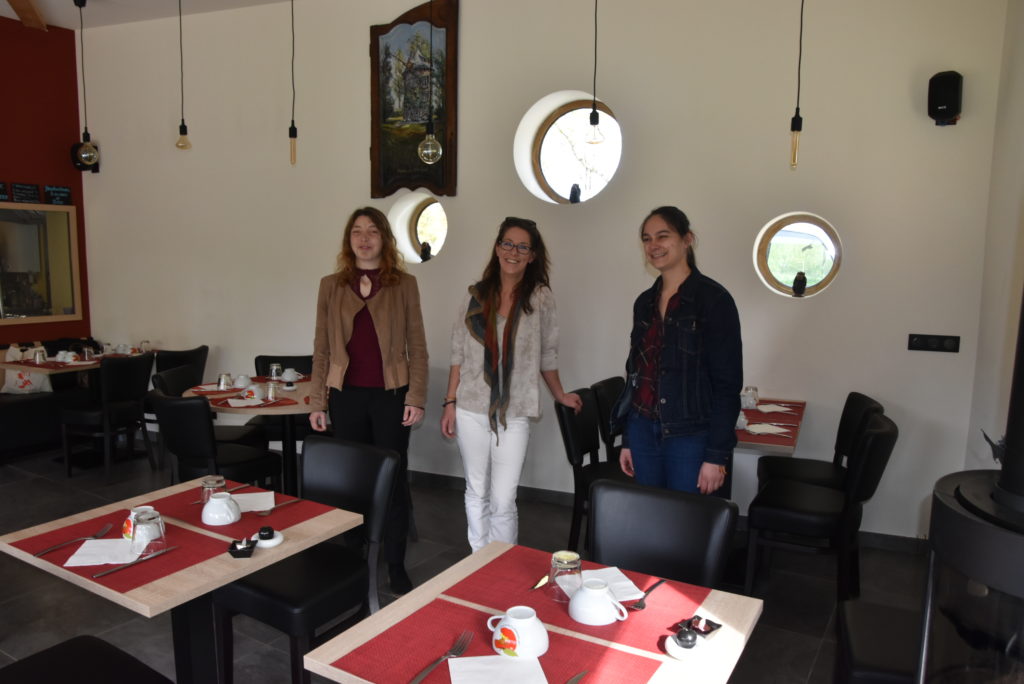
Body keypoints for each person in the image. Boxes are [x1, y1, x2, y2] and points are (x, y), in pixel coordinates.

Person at [441, 217, 582, 552]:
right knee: (476, 490)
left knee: (504, 499)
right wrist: (450, 402)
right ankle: (478, 561)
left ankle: (501, 562)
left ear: (532, 256)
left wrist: (560, 394)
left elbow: (547, 353)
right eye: (507, 243)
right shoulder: (475, 296)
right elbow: (458, 352)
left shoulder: (540, 298)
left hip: (515, 410)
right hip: (470, 406)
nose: (513, 252)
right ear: (497, 247)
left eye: (522, 247)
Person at [308, 206, 427, 594]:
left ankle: (395, 562)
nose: (364, 238)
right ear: (349, 240)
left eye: (372, 231)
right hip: (346, 396)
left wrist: (416, 396)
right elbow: (322, 348)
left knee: (392, 479)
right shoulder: (331, 285)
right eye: (357, 231)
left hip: (392, 396)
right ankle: (354, 554)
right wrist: (317, 402)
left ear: (384, 239)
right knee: (350, 480)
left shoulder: (404, 284)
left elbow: (417, 346)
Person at [611, 206, 742, 495]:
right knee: (651, 515)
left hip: (691, 435)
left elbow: (727, 385)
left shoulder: (714, 300)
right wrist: (628, 439)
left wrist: (716, 455)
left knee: (686, 519)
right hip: (643, 431)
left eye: (663, 236)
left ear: (687, 239)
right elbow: (637, 376)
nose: (653, 245)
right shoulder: (644, 303)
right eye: (647, 239)